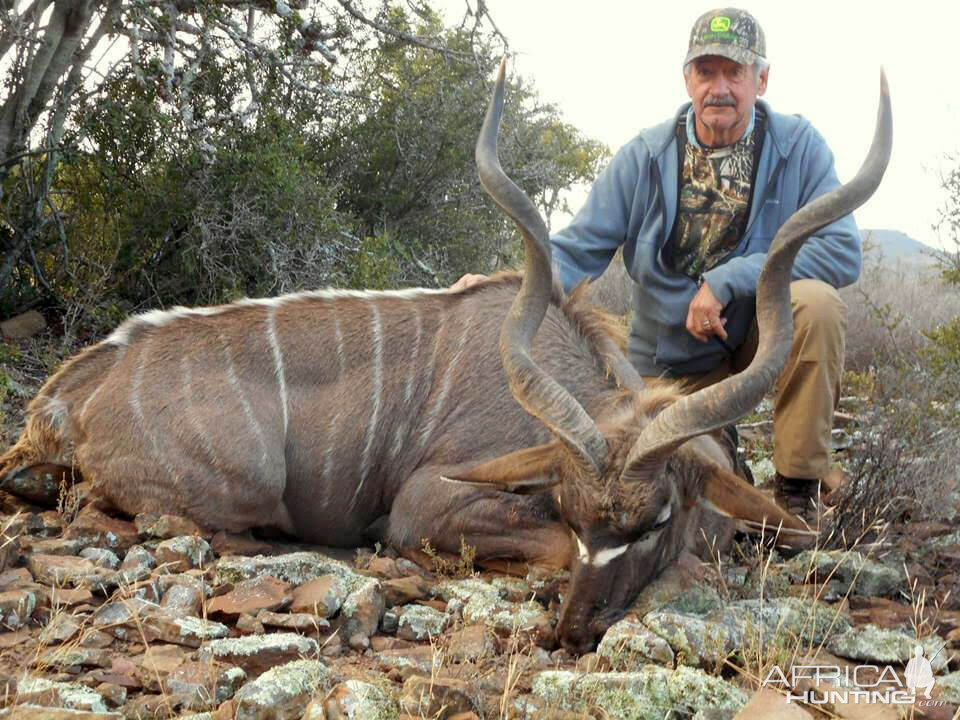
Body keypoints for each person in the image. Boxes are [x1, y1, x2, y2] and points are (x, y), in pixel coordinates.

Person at [453, 7, 860, 527]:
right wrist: (504, 289)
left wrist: (730, 279)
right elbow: (576, 253)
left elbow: (842, 250)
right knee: (656, 476)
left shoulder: (799, 148)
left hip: (759, 341)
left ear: (761, 78)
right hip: (667, 368)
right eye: (706, 71)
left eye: (734, 72)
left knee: (819, 307)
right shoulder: (644, 156)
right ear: (687, 77)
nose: (720, 87)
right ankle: (725, 451)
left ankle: (797, 489)